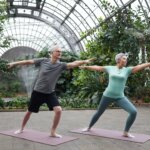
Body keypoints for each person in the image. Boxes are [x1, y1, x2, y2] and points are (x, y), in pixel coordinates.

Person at [8, 45, 94, 138]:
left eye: (61, 51)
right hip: (38, 92)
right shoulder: (43, 61)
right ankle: (21, 128)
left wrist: (85, 61)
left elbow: (74, 63)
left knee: (58, 111)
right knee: (29, 111)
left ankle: (52, 132)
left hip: (50, 93)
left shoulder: (61, 65)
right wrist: (14, 63)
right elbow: (28, 61)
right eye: (57, 51)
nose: (60, 53)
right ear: (51, 53)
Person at [80, 53, 150, 138]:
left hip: (120, 97)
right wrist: (86, 67)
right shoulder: (110, 68)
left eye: (126, 59)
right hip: (107, 95)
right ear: (118, 60)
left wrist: (149, 63)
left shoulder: (127, 70)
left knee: (133, 112)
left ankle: (126, 132)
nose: (126, 60)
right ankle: (89, 127)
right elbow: (98, 68)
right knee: (99, 112)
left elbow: (140, 66)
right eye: (124, 58)